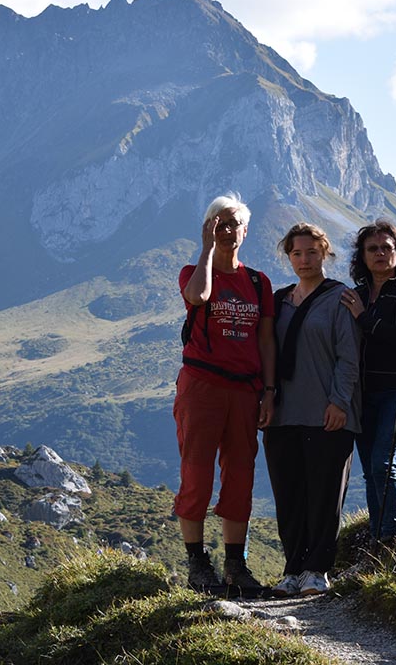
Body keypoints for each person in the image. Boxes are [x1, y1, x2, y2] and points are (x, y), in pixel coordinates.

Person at [174, 193, 275, 593]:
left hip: (245, 389)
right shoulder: (193, 272)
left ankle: (236, 566)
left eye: (234, 224)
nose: (228, 230)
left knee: (240, 475)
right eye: (220, 224)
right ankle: (198, 565)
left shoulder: (258, 282)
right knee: (196, 472)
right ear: (209, 228)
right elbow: (197, 297)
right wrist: (206, 249)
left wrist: (269, 390)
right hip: (202, 385)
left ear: (246, 231)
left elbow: (266, 340)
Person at [264, 222, 360, 597]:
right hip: (283, 414)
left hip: (328, 413)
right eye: (297, 253)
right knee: (289, 496)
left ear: (325, 254)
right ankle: (293, 569)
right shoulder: (278, 302)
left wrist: (339, 402)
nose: (304, 260)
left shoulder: (339, 298)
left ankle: (317, 570)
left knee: (325, 495)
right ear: (288, 257)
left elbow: (348, 356)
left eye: (312, 252)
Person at [340, 220, 396, 546]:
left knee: (383, 463)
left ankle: (394, 536)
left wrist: (363, 318)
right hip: (364, 391)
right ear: (362, 255)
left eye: (386, 248)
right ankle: (378, 539)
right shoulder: (357, 294)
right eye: (372, 248)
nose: (379, 253)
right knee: (371, 470)